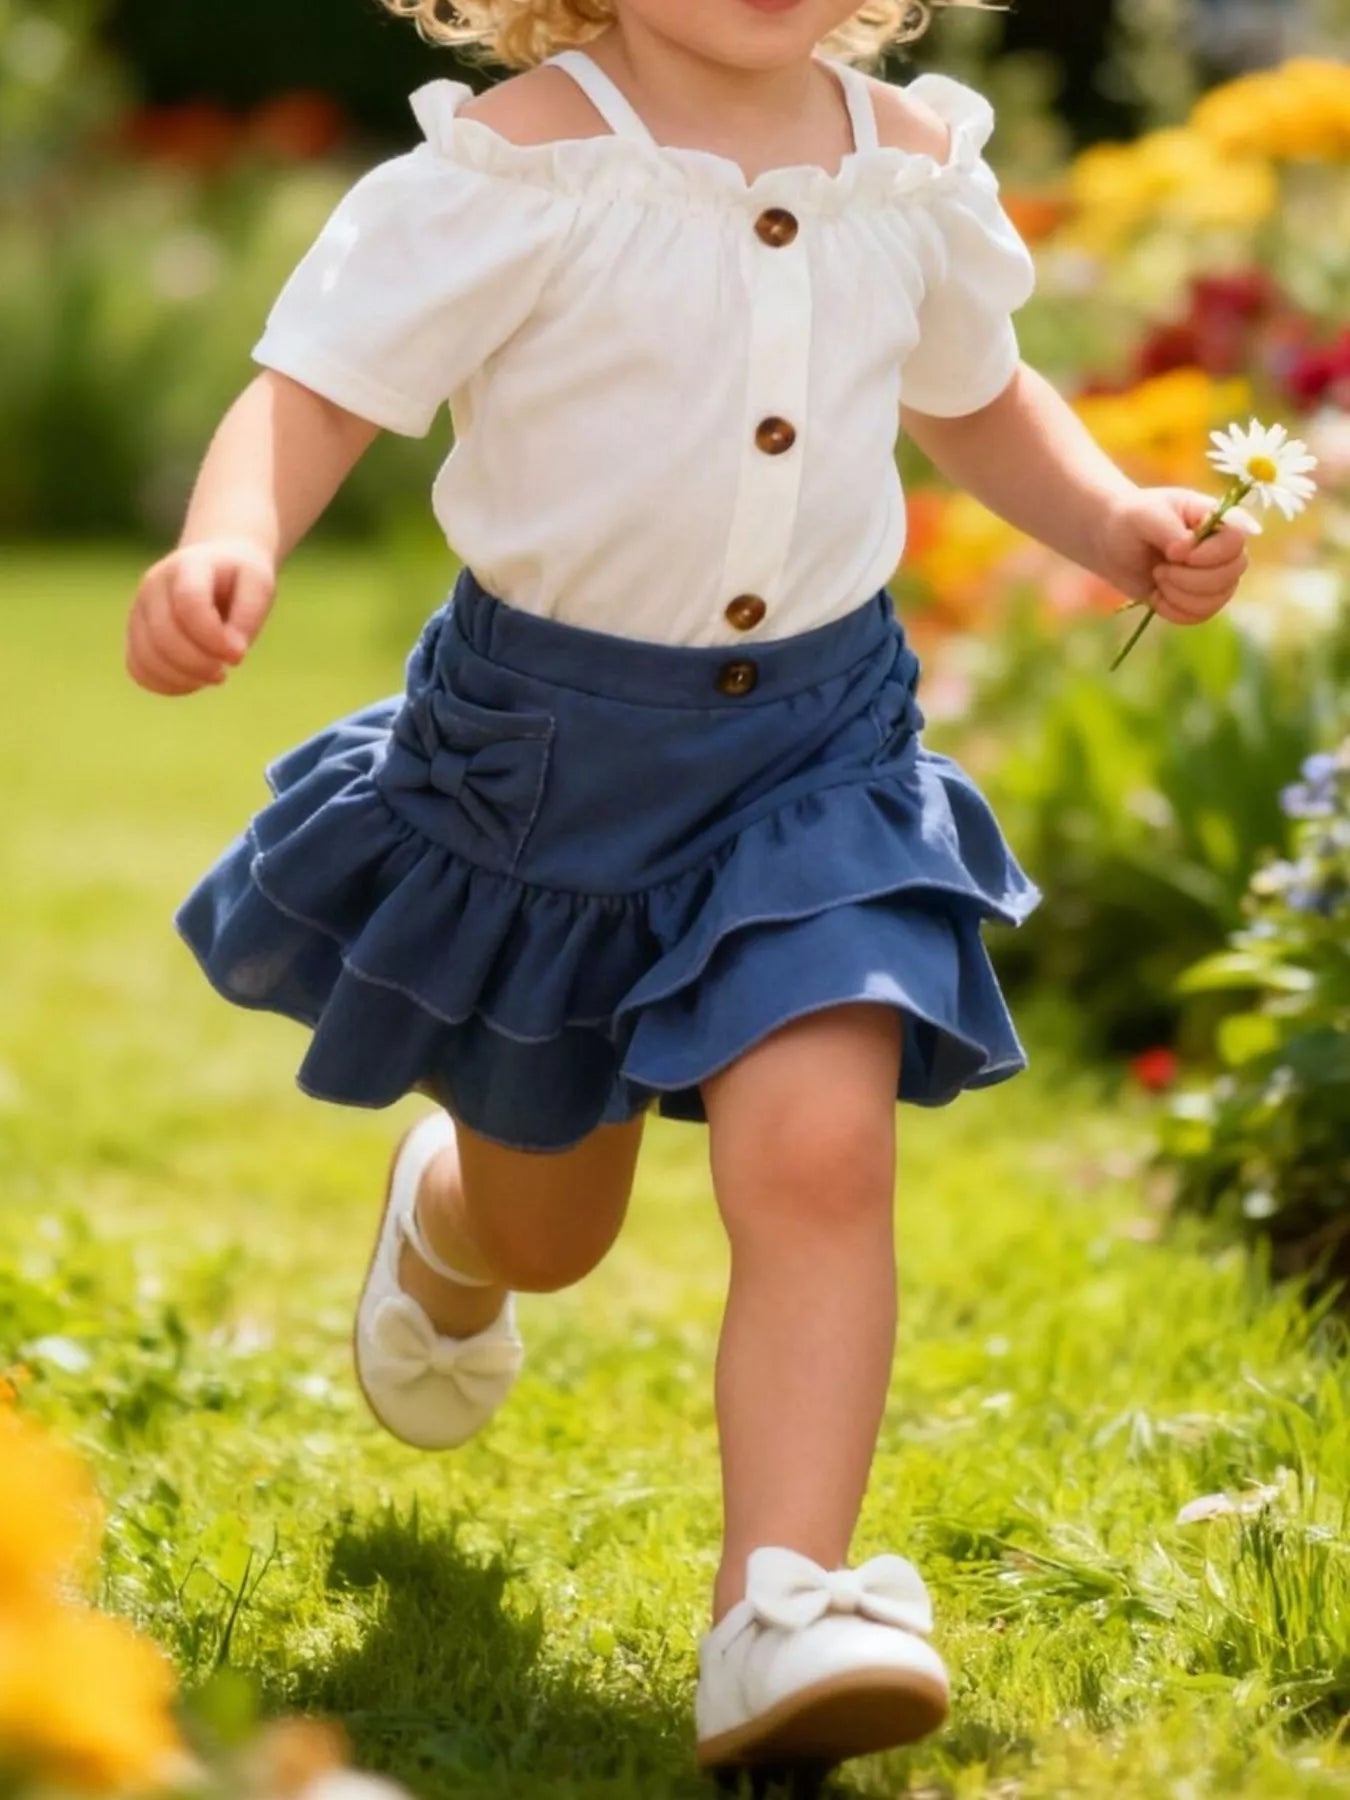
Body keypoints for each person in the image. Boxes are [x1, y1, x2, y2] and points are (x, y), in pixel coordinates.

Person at [125, 0, 1253, 1778]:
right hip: (549, 771)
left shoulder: (909, 169)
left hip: (819, 755)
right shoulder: (517, 166)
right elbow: (316, 388)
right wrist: (228, 538)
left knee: (821, 1148)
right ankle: (453, 1217)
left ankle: (779, 1604)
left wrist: (1113, 519)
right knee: (551, 1232)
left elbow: (973, 397)